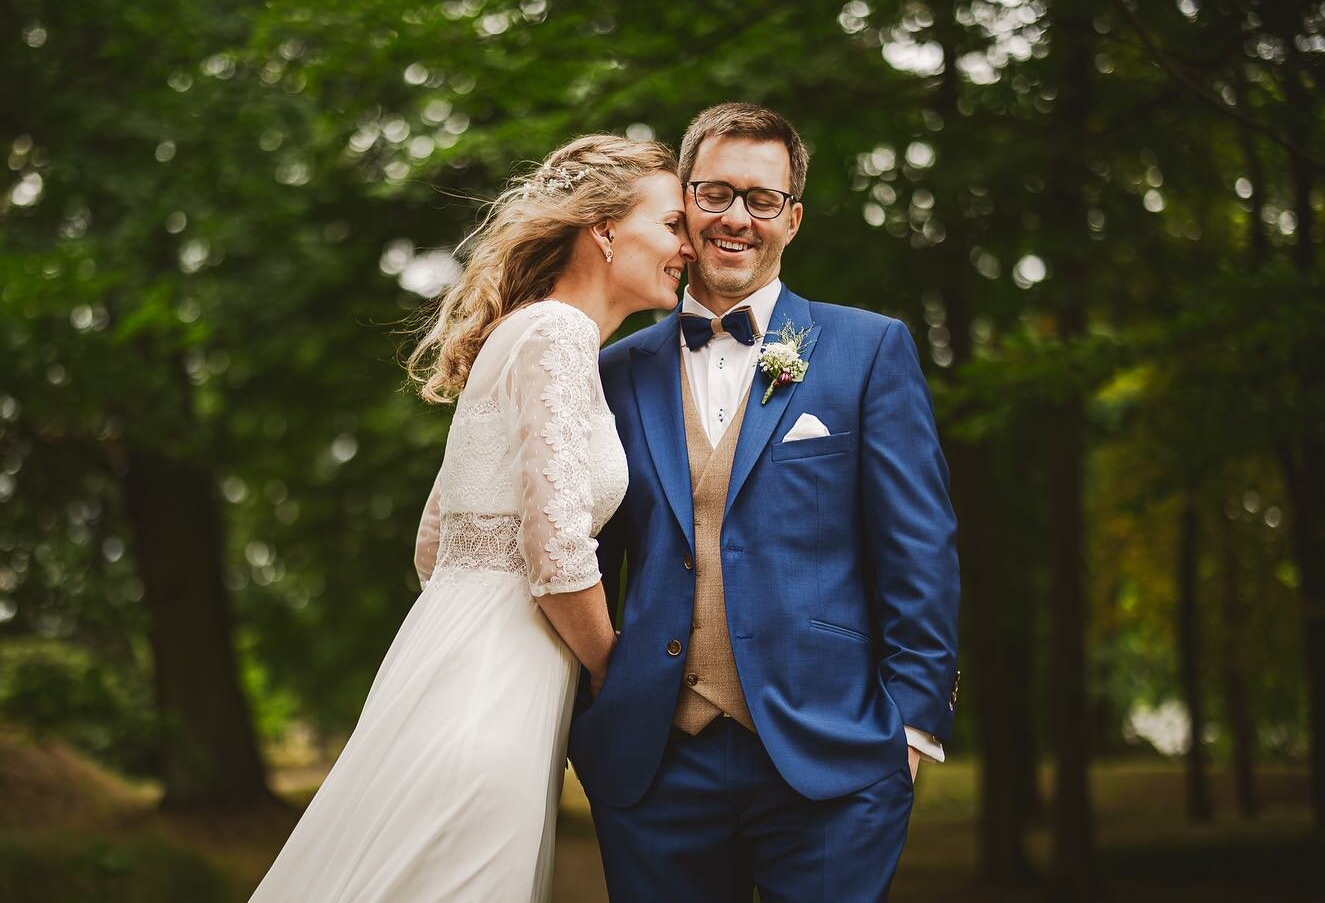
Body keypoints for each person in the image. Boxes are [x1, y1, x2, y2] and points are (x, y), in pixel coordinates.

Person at [249, 134, 695, 902]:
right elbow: (556, 549)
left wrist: (472, 619)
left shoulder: (528, 334)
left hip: (457, 662)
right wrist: (608, 670)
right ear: (606, 228)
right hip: (496, 685)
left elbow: (434, 538)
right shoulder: (555, 334)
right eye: (672, 224)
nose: (688, 245)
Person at [569, 104, 961, 901]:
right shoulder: (612, 371)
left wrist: (913, 726)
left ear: (793, 218)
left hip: (832, 761)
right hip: (652, 768)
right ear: (683, 201)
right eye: (714, 194)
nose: (736, 218)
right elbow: (575, 552)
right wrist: (592, 719)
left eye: (762, 199)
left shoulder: (868, 349)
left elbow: (918, 549)